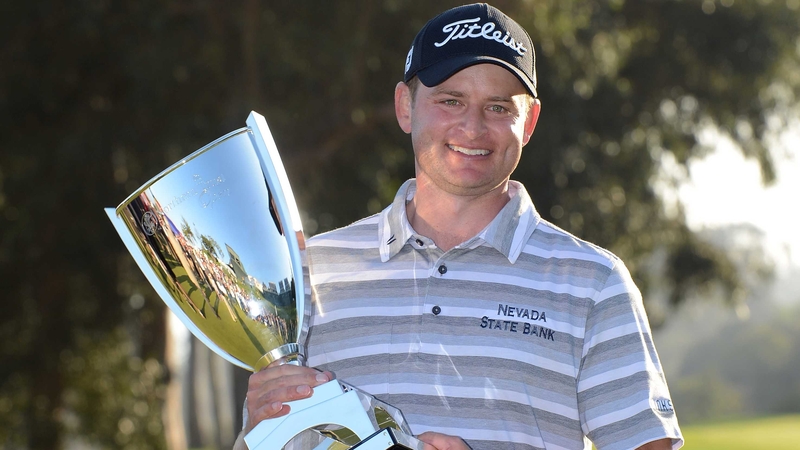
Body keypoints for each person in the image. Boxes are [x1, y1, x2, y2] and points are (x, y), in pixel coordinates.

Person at [235, 3, 683, 449]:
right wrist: (261, 429)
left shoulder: (593, 282)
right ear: (405, 107)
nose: (472, 127)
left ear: (529, 123)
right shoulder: (310, 272)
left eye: (498, 107)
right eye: (451, 100)